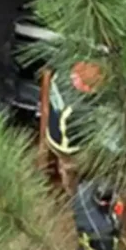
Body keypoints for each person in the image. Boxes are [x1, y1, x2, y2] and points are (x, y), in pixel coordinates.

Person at [46, 61, 103, 193]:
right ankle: (74, 192)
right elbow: (91, 136)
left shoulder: (61, 75)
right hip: (68, 148)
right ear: (87, 88)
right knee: (74, 166)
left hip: (51, 132)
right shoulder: (78, 110)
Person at [72, 179, 124, 250]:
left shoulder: (84, 189)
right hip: (96, 245)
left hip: (84, 231)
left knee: (86, 238)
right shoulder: (104, 229)